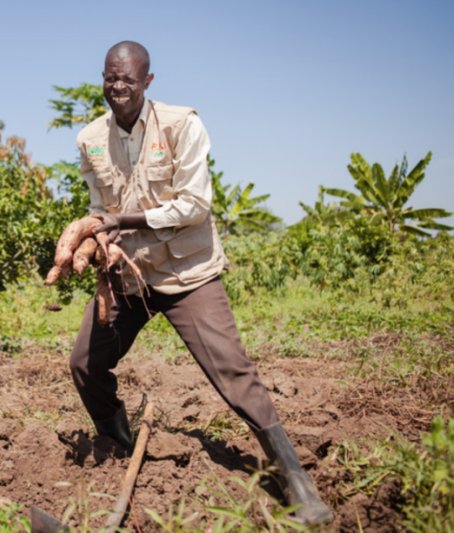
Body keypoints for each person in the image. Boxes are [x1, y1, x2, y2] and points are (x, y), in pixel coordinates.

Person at [69, 41, 333, 525]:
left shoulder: (180, 125)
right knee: (85, 364)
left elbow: (194, 205)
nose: (118, 87)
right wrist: (92, 235)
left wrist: (122, 219)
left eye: (128, 78)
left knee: (234, 373)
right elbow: (97, 205)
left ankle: (296, 479)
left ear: (148, 81)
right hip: (129, 276)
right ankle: (120, 436)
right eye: (110, 77)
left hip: (187, 274)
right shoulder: (89, 137)